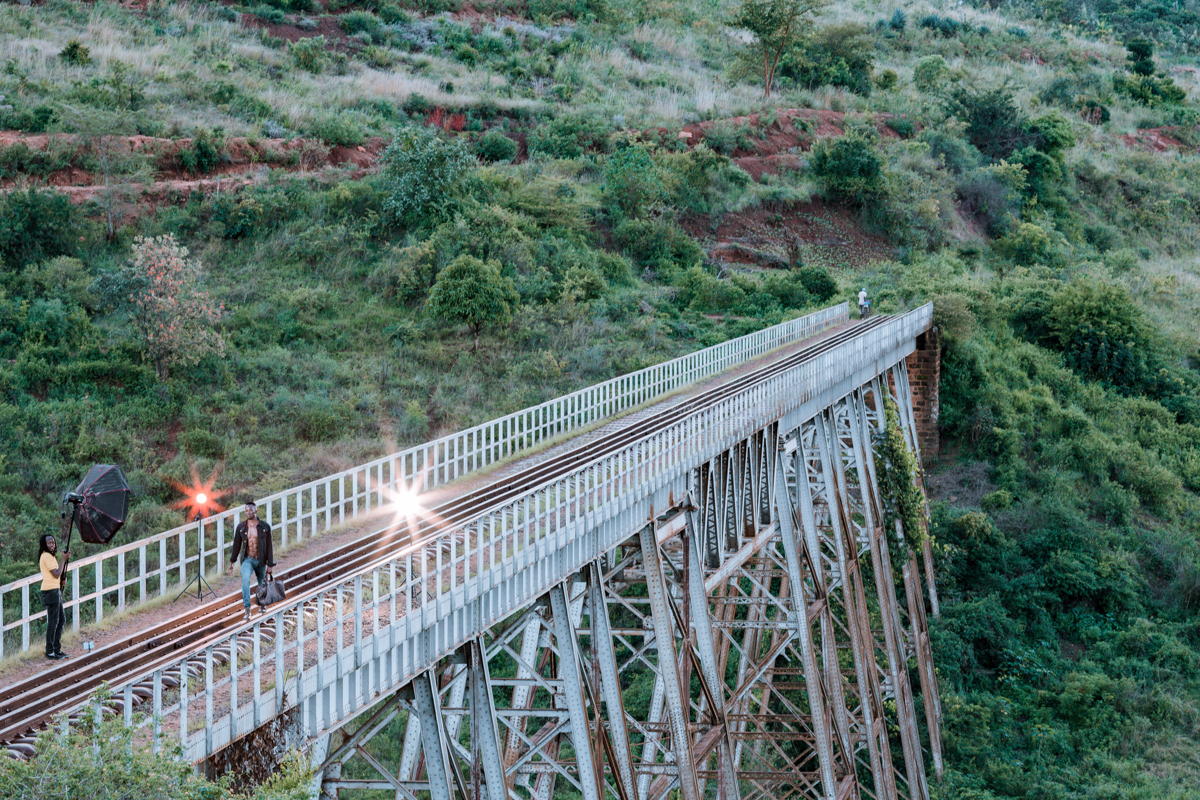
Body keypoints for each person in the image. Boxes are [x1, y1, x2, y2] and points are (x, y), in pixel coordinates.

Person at [228, 501, 275, 621]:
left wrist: (270, 565)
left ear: (256, 510)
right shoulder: (241, 527)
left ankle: (262, 604)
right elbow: (236, 546)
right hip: (247, 559)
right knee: (245, 580)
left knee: (261, 584)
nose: (248, 512)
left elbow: (269, 546)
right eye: (246, 510)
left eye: (250, 510)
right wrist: (231, 562)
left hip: (261, 560)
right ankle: (247, 609)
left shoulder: (265, 527)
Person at [38, 534, 70, 660]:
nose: (52, 545)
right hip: (51, 591)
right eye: (49, 543)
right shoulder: (47, 556)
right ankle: (50, 651)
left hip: (54, 589)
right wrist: (64, 559)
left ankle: (56, 649)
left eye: (53, 542)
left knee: (61, 620)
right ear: (44, 545)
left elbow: (56, 575)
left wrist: (61, 581)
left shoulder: (50, 556)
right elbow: (56, 574)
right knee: (53, 622)